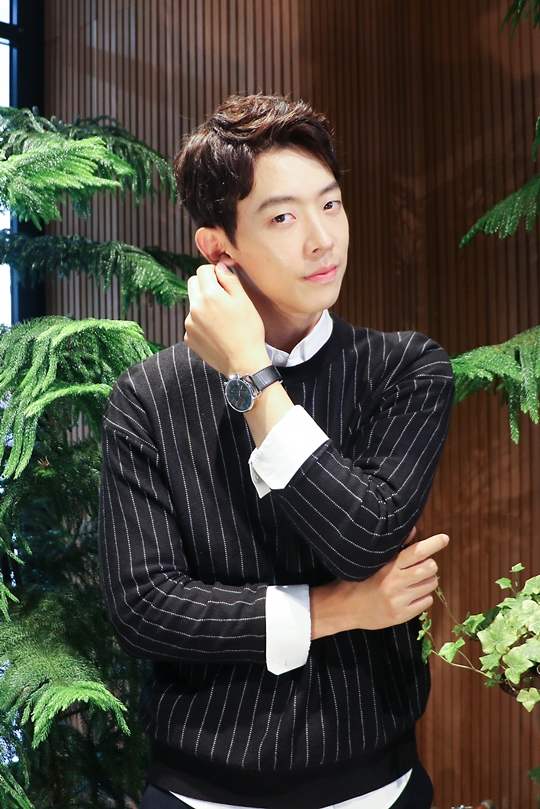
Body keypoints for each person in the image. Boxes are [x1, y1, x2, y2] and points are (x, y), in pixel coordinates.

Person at [99, 94, 454, 809]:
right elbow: (143, 607)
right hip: (199, 793)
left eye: (331, 204)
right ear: (218, 250)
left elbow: (364, 539)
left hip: (377, 789)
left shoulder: (406, 370)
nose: (323, 239)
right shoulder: (148, 396)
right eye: (284, 218)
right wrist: (335, 610)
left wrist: (251, 377)